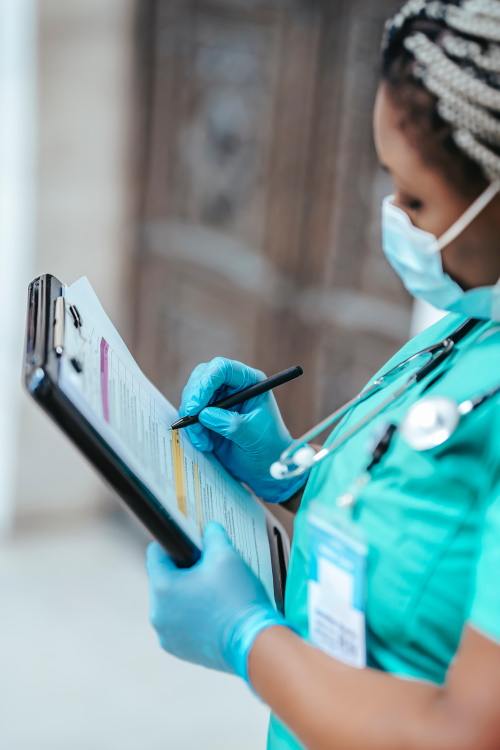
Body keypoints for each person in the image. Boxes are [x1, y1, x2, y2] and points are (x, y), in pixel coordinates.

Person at [145, 1, 500, 748]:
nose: (393, 219)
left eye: (418, 198)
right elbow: (426, 537)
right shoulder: (472, 324)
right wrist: (287, 475)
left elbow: (467, 735)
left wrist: (246, 638)